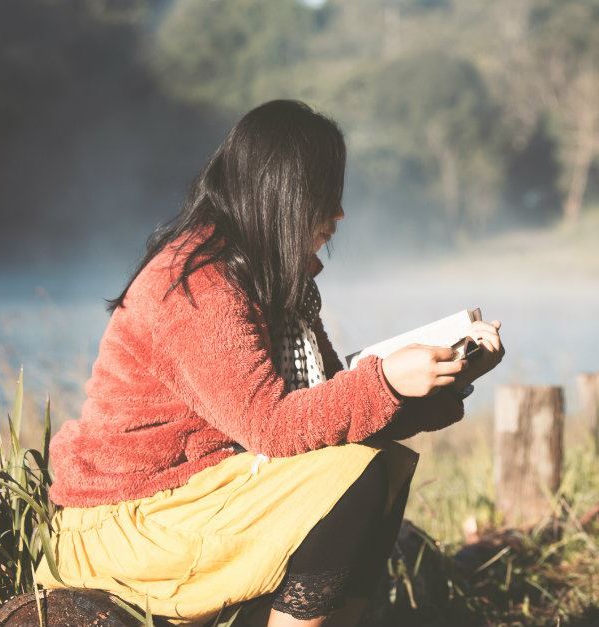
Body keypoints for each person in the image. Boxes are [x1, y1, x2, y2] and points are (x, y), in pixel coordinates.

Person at [32, 99, 505, 627]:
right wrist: (387, 381)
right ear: (285, 194)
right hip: (130, 519)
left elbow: (332, 408)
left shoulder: (276, 280)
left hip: (205, 494)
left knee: (382, 464)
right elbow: (274, 425)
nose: (339, 214)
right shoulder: (194, 283)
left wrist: (443, 382)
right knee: (358, 474)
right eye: (327, 195)